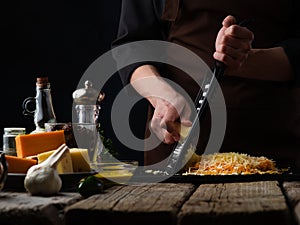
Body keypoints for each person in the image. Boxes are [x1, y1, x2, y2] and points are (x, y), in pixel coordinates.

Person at [112, 0, 300, 170]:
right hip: (175, 152)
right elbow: (133, 46)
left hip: (274, 146)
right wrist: (162, 98)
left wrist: (248, 61)